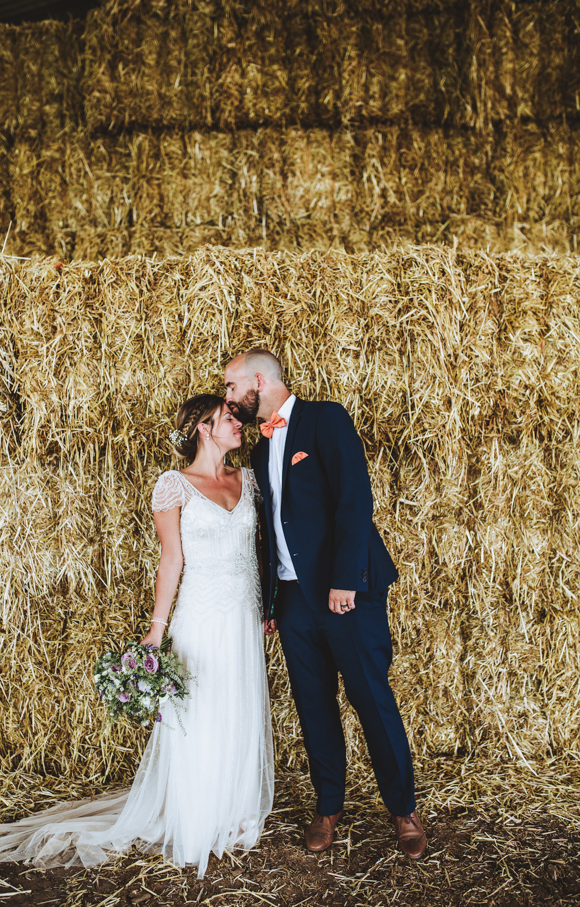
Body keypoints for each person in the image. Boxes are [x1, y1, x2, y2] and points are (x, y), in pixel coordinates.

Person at [0, 394, 274, 878]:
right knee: (200, 714)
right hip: (201, 618)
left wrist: (270, 606)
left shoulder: (247, 480)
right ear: (205, 428)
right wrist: (155, 631)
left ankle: (235, 808)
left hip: (243, 617)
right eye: (230, 419)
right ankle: (196, 814)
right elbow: (172, 561)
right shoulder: (174, 486)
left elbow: (261, 552)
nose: (239, 425)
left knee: (239, 703)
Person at [225, 350, 426, 859]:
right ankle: (328, 807)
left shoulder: (325, 418)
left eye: (230, 386)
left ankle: (404, 811)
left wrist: (345, 581)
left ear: (257, 379)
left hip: (345, 596)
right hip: (293, 603)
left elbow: (356, 499)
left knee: (371, 700)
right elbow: (269, 531)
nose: (228, 398)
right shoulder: (259, 448)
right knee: (314, 706)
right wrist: (272, 600)